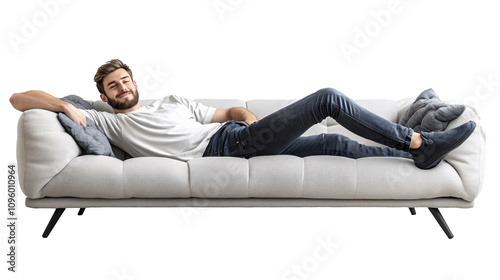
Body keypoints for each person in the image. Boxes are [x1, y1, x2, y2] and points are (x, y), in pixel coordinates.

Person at [10, 59, 476, 169]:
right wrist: (63, 105)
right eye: (113, 86)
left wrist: (251, 120)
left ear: (136, 81)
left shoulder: (172, 101)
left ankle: (410, 157)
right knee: (327, 98)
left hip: (240, 133)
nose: (122, 87)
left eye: (126, 80)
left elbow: (229, 110)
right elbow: (18, 98)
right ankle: (420, 143)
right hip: (225, 150)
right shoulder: (105, 119)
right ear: (105, 96)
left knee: (334, 142)